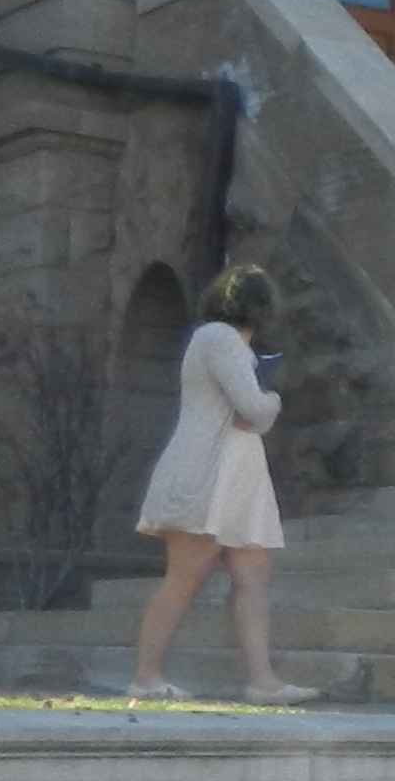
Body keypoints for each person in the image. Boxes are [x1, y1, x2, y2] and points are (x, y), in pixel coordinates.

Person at [126, 261, 313, 703]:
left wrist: (260, 409)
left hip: (233, 473)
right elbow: (252, 406)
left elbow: (249, 417)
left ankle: (262, 681)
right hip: (209, 470)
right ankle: (146, 677)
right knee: (188, 573)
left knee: (254, 570)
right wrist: (274, 399)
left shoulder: (221, 342)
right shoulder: (220, 338)